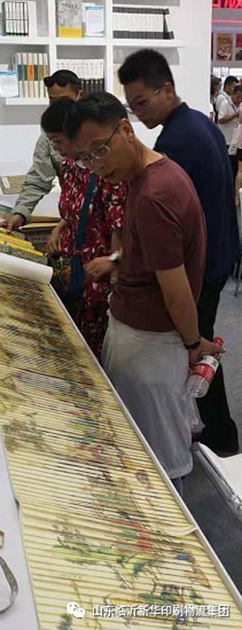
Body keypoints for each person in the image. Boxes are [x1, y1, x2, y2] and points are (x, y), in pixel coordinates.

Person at [64, 93, 224, 494]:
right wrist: (118, 261)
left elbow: (177, 291)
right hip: (140, 336)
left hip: (153, 345)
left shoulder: (154, 194)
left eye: (101, 150)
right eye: (86, 159)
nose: (97, 165)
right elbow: (147, 255)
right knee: (143, 451)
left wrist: (193, 344)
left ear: (125, 129)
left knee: (161, 466)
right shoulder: (149, 175)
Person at [117, 49, 239, 454]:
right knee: (201, 346)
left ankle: (219, 439)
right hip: (220, 255)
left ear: (166, 90)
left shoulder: (175, 142)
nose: (138, 115)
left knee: (197, 350)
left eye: (142, 103)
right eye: (132, 107)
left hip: (201, 268)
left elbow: (173, 223)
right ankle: (218, 434)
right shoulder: (200, 123)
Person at [41, 98, 126, 358]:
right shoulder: (69, 167)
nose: (56, 149)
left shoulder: (104, 169)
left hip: (98, 276)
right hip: (75, 269)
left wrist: (114, 263)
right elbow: (75, 209)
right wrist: (59, 228)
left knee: (92, 354)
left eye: (58, 141)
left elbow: (119, 227)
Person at [5, 70, 81, 232]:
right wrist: (21, 212)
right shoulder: (48, 136)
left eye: (64, 101)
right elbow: (38, 180)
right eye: (53, 101)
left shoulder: (96, 130)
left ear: (80, 96)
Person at [216, 75, 239, 178]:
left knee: (235, 168)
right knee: (227, 167)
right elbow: (221, 119)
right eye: (238, 97)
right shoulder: (225, 103)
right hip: (226, 140)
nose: (239, 100)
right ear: (233, 94)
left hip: (235, 141)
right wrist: (236, 114)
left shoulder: (240, 105)